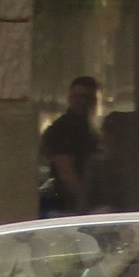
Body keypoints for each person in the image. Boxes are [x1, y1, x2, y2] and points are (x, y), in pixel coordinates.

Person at [38, 75, 106, 216]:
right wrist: (85, 203)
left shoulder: (89, 128)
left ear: (94, 100)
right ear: (70, 98)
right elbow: (66, 172)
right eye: (78, 96)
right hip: (69, 207)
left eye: (87, 97)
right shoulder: (63, 128)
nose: (82, 101)